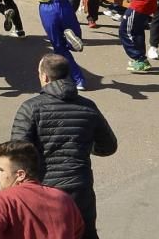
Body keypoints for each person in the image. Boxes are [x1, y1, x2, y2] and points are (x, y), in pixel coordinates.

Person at [11, 54, 118, 239]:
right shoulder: (88, 106)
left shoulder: (30, 108)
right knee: (85, 234)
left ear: (44, 77)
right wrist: (85, 146)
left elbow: (18, 154)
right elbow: (108, 146)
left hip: (44, 190)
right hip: (80, 188)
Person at [0, 140, 84, 239]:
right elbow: (78, 231)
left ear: (21, 174)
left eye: (1, 170)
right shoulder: (64, 199)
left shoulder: (1, 201)